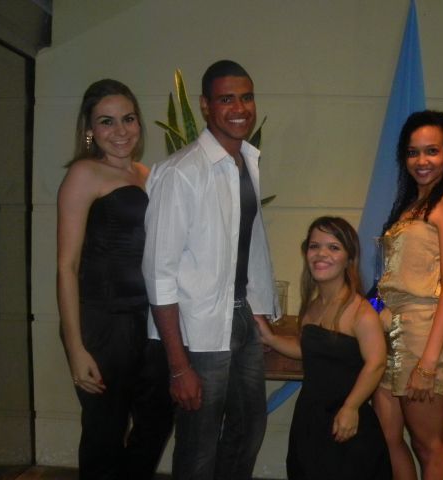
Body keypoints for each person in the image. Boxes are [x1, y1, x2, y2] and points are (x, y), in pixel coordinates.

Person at [142, 60, 280, 480]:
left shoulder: (245, 162)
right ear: (205, 106)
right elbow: (158, 275)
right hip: (197, 333)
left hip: (240, 318)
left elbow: (245, 247)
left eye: (247, 97)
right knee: (198, 445)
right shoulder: (181, 173)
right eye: (226, 99)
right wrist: (179, 366)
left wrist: (257, 310)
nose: (240, 108)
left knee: (249, 429)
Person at [57, 79, 173, 480]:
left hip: (147, 319)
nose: (120, 130)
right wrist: (75, 347)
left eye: (128, 118)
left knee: (158, 418)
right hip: (102, 322)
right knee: (104, 434)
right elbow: (67, 266)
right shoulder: (84, 173)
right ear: (90, 129)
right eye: (107, 121)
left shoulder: (146, 173)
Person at [372, 110, 443, 480]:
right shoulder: (411, 204)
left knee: (430, 445)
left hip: (423, 332)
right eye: (413, 152)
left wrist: (428, 364)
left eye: (432, 151)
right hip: (391, 330)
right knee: (388, 437)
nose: (422, 161)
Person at [256, 216, 391, 480]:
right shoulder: (313, 306)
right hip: (310, 420)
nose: (321, 254)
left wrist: (351, 407)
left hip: (346, 423)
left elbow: (376, 363)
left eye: (333, 247)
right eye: (314, 246)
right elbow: (307, 349)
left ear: (349, 258)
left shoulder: (360, 311)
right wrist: (270, 338)